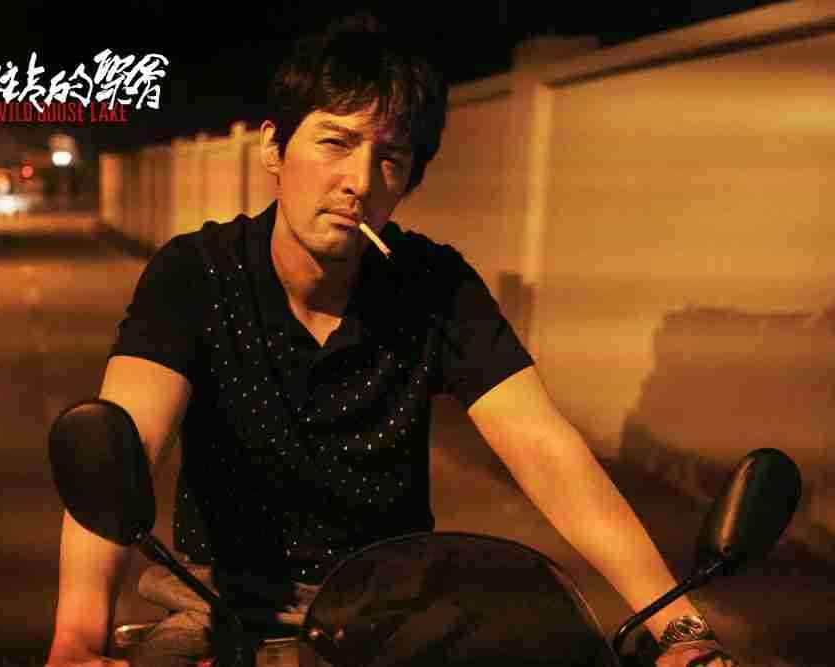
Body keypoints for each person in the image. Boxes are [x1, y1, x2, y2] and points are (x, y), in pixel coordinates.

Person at [46, 13, 737, 667]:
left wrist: (677, 623)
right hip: (216, 608)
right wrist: (77, 636)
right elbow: (123, 448)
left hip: (390, 616)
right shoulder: (194, 275)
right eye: (335, 142)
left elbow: (545, 448)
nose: (358, 182)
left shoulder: (432, 285)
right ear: (274, 148)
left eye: (390, 158)